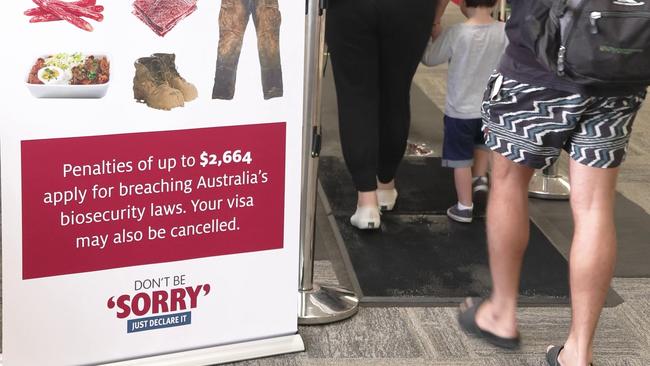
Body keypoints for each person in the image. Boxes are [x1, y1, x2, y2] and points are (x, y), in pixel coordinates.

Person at [453, 1, 648, 365]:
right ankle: (578, 352)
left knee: (508, 184)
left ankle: (501, 313)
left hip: (536, 67)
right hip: (620, 64)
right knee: (594, 207)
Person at [326, 0, 450, 229]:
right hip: (411, 9)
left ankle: (366, 202)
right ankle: (385, 185)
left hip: (349, 8)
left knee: (356, 96)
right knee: (397, 94)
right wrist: (435, 16)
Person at [421, 0, 507, 223]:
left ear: (463, 4)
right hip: (490, 109)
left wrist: (432, 35)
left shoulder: (457, 33)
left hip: (460, 111)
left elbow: (430, 59)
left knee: (460, 161)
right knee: (481, 145)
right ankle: (480, 179)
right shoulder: (504, 31)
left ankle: (464, 206)